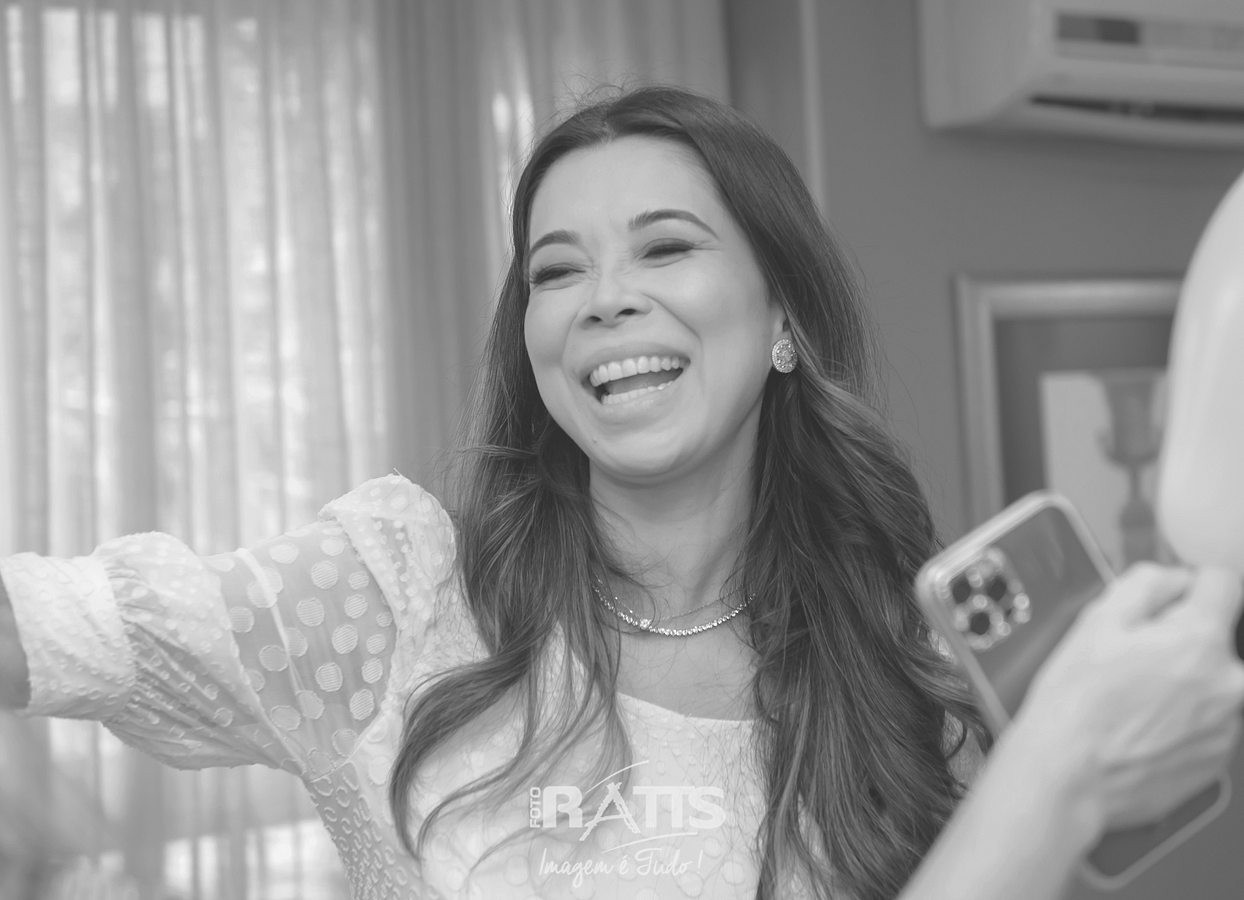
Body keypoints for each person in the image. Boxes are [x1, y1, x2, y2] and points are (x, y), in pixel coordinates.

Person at [0, 85, 1241, 900]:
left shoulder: (906, 675)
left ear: (783, 320)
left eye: (665, 246)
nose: (604, 299)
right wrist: (1057, 775)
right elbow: (56, 629)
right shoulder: (393, 598)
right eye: (556, 271)